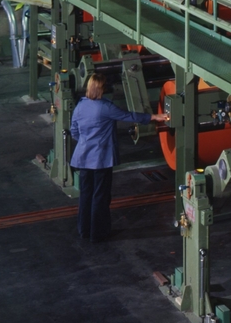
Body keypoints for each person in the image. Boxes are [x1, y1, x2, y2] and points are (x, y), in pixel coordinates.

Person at [70, 74, 170, 242]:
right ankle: (98, 233)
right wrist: (153, 117)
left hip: (83, 157)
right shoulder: (105, 107)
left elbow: (74, 131)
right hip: (100, 159)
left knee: (86, 194)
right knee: (100, 196)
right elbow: (128, 116)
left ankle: (84, 230)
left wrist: (86, 143)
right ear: (101, 89)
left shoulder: (80, 106)